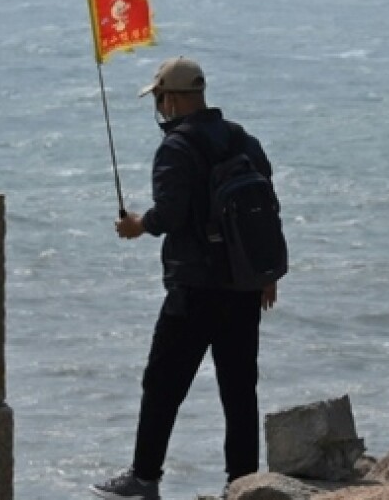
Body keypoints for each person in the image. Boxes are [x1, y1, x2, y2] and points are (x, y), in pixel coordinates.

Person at [92, 56, 279, 500]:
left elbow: (172, 216)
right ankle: (242, 484)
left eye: (158, 98)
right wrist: (266, 275)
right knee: (239, 390)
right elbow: (266, 211)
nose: (159, 106)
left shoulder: (176, 148)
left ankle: (144, 478)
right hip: (243, 286)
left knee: (162, 383)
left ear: (172, 99)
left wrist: (139, 224)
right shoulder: (243, 140)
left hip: (194, 288)